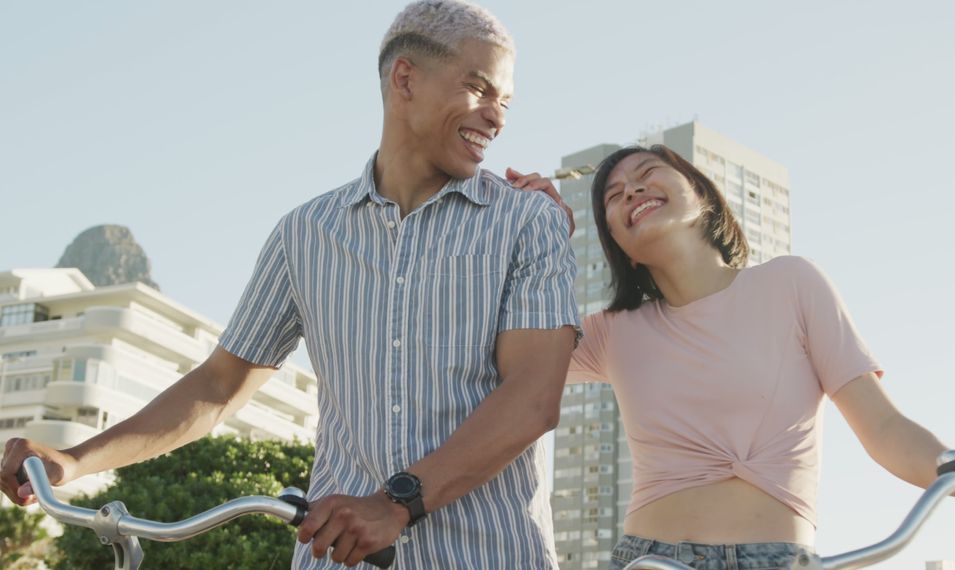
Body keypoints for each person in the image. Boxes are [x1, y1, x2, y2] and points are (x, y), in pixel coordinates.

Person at [0, 2, 580, 568]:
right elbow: (219, 385)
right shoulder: (305, 233)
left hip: (491, 555)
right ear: (406, 79)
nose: (497, 117)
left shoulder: (529, 221)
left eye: (505, 101)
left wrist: (394, 504)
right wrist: (73, 460)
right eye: (479, 89)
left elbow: (532, 397)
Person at [530, 144, 955, 570]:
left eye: (647, 173)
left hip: (780, 559)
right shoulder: (613, 333)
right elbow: (504, 357)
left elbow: (884, 427)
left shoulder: (792, 284)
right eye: (614, 197)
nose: (632, 191)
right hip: (651, 561)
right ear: (618, 242)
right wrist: (534, 230)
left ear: (703, 194)